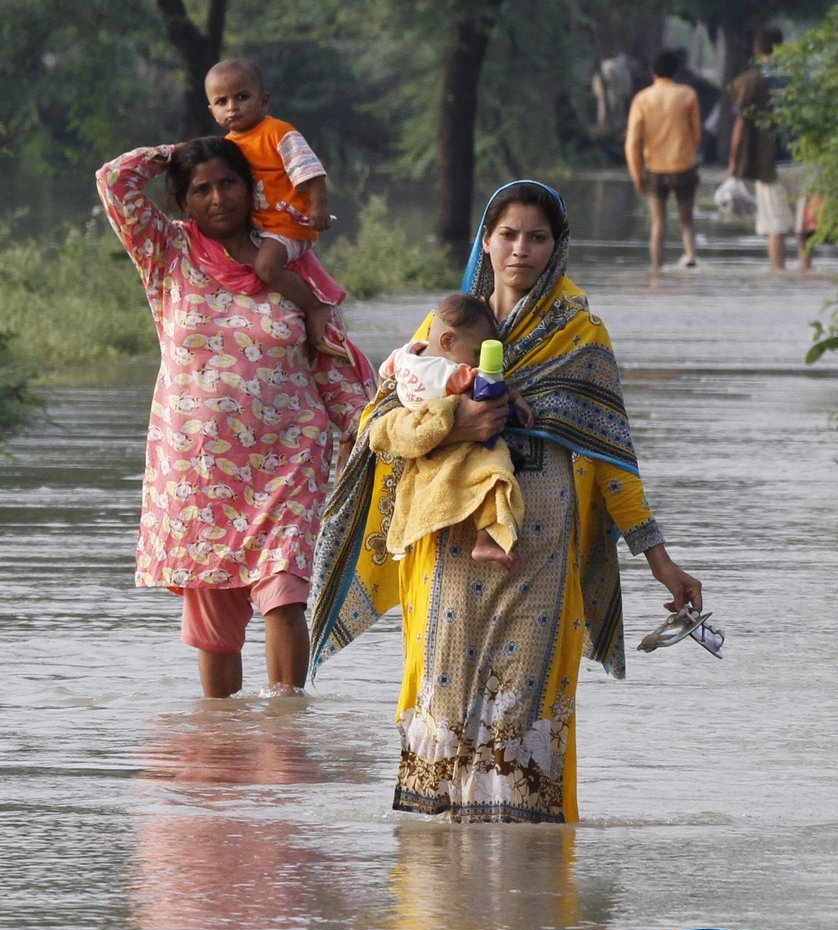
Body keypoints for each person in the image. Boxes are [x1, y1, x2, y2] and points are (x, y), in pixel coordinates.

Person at [308, 180, 703, 824]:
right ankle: (441, 896)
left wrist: (660, 559)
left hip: (542, 548)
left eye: (537, 237)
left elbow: (611, 462)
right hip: (449, 541)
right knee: (445, 700)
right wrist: (456, 424)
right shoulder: (446, 325)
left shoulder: (581, 336)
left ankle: (525, 892)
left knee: (524, 708)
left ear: (558, 246)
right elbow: (374, 427)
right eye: (508, 235)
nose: (521, 249)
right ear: (486, 242)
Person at [95, 137, 375, 699]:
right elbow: (114, 180)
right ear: (182, 201)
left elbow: (333, 366)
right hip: (199, 474)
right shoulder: (166, 255)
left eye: (230, 182)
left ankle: (285, 730)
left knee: (285, 595)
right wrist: (187, 147)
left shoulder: (293, 264)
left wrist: (372, 435)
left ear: (252, 189)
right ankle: (220, 745)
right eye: (201, 189)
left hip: (289, 461)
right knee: (215, 630)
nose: (218, 197)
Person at [376, 291, 533, 570]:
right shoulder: (452, 373)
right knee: (495, 472)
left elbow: (385, 375)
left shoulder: (406, 354)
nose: (477, 362)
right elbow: (488, 385)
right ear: (447, 341)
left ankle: (403, 536)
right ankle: (486, 539)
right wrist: (514, 397)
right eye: (476, 353)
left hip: (421, 435)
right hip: (446, 428)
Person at [205, 57, 333, 344]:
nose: (232, 107)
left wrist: (319, 206)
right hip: (258, 226)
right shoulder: (228, 146)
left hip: (287, 224)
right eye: (222, 102)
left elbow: (311, 171)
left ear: (263, 101)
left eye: (241, 97)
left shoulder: (279, 133)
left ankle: (315, 306)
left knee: (266, 268)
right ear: (212, 110)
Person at [624, 48, 701, 270]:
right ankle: (691, 257)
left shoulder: (642, 98)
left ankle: (657, 268)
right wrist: (688, 152)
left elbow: (632, 142)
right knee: (686, 220)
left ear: (653, 72)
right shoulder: (688, 95)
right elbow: (696, 133)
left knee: (658, 224)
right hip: (684, 166)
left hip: (655, 170)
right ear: (676, 71)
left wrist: (637, 175)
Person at [727, 26, 797, 270]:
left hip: (770, 164)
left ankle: (778, 278)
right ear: (783, 46)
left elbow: (740, 123)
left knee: (776, 228)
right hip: (806, 160)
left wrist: (734, 162)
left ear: (757, 50)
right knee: (805, 226)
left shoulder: (753, 80)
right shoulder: (799, 76)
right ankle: (806, 269)